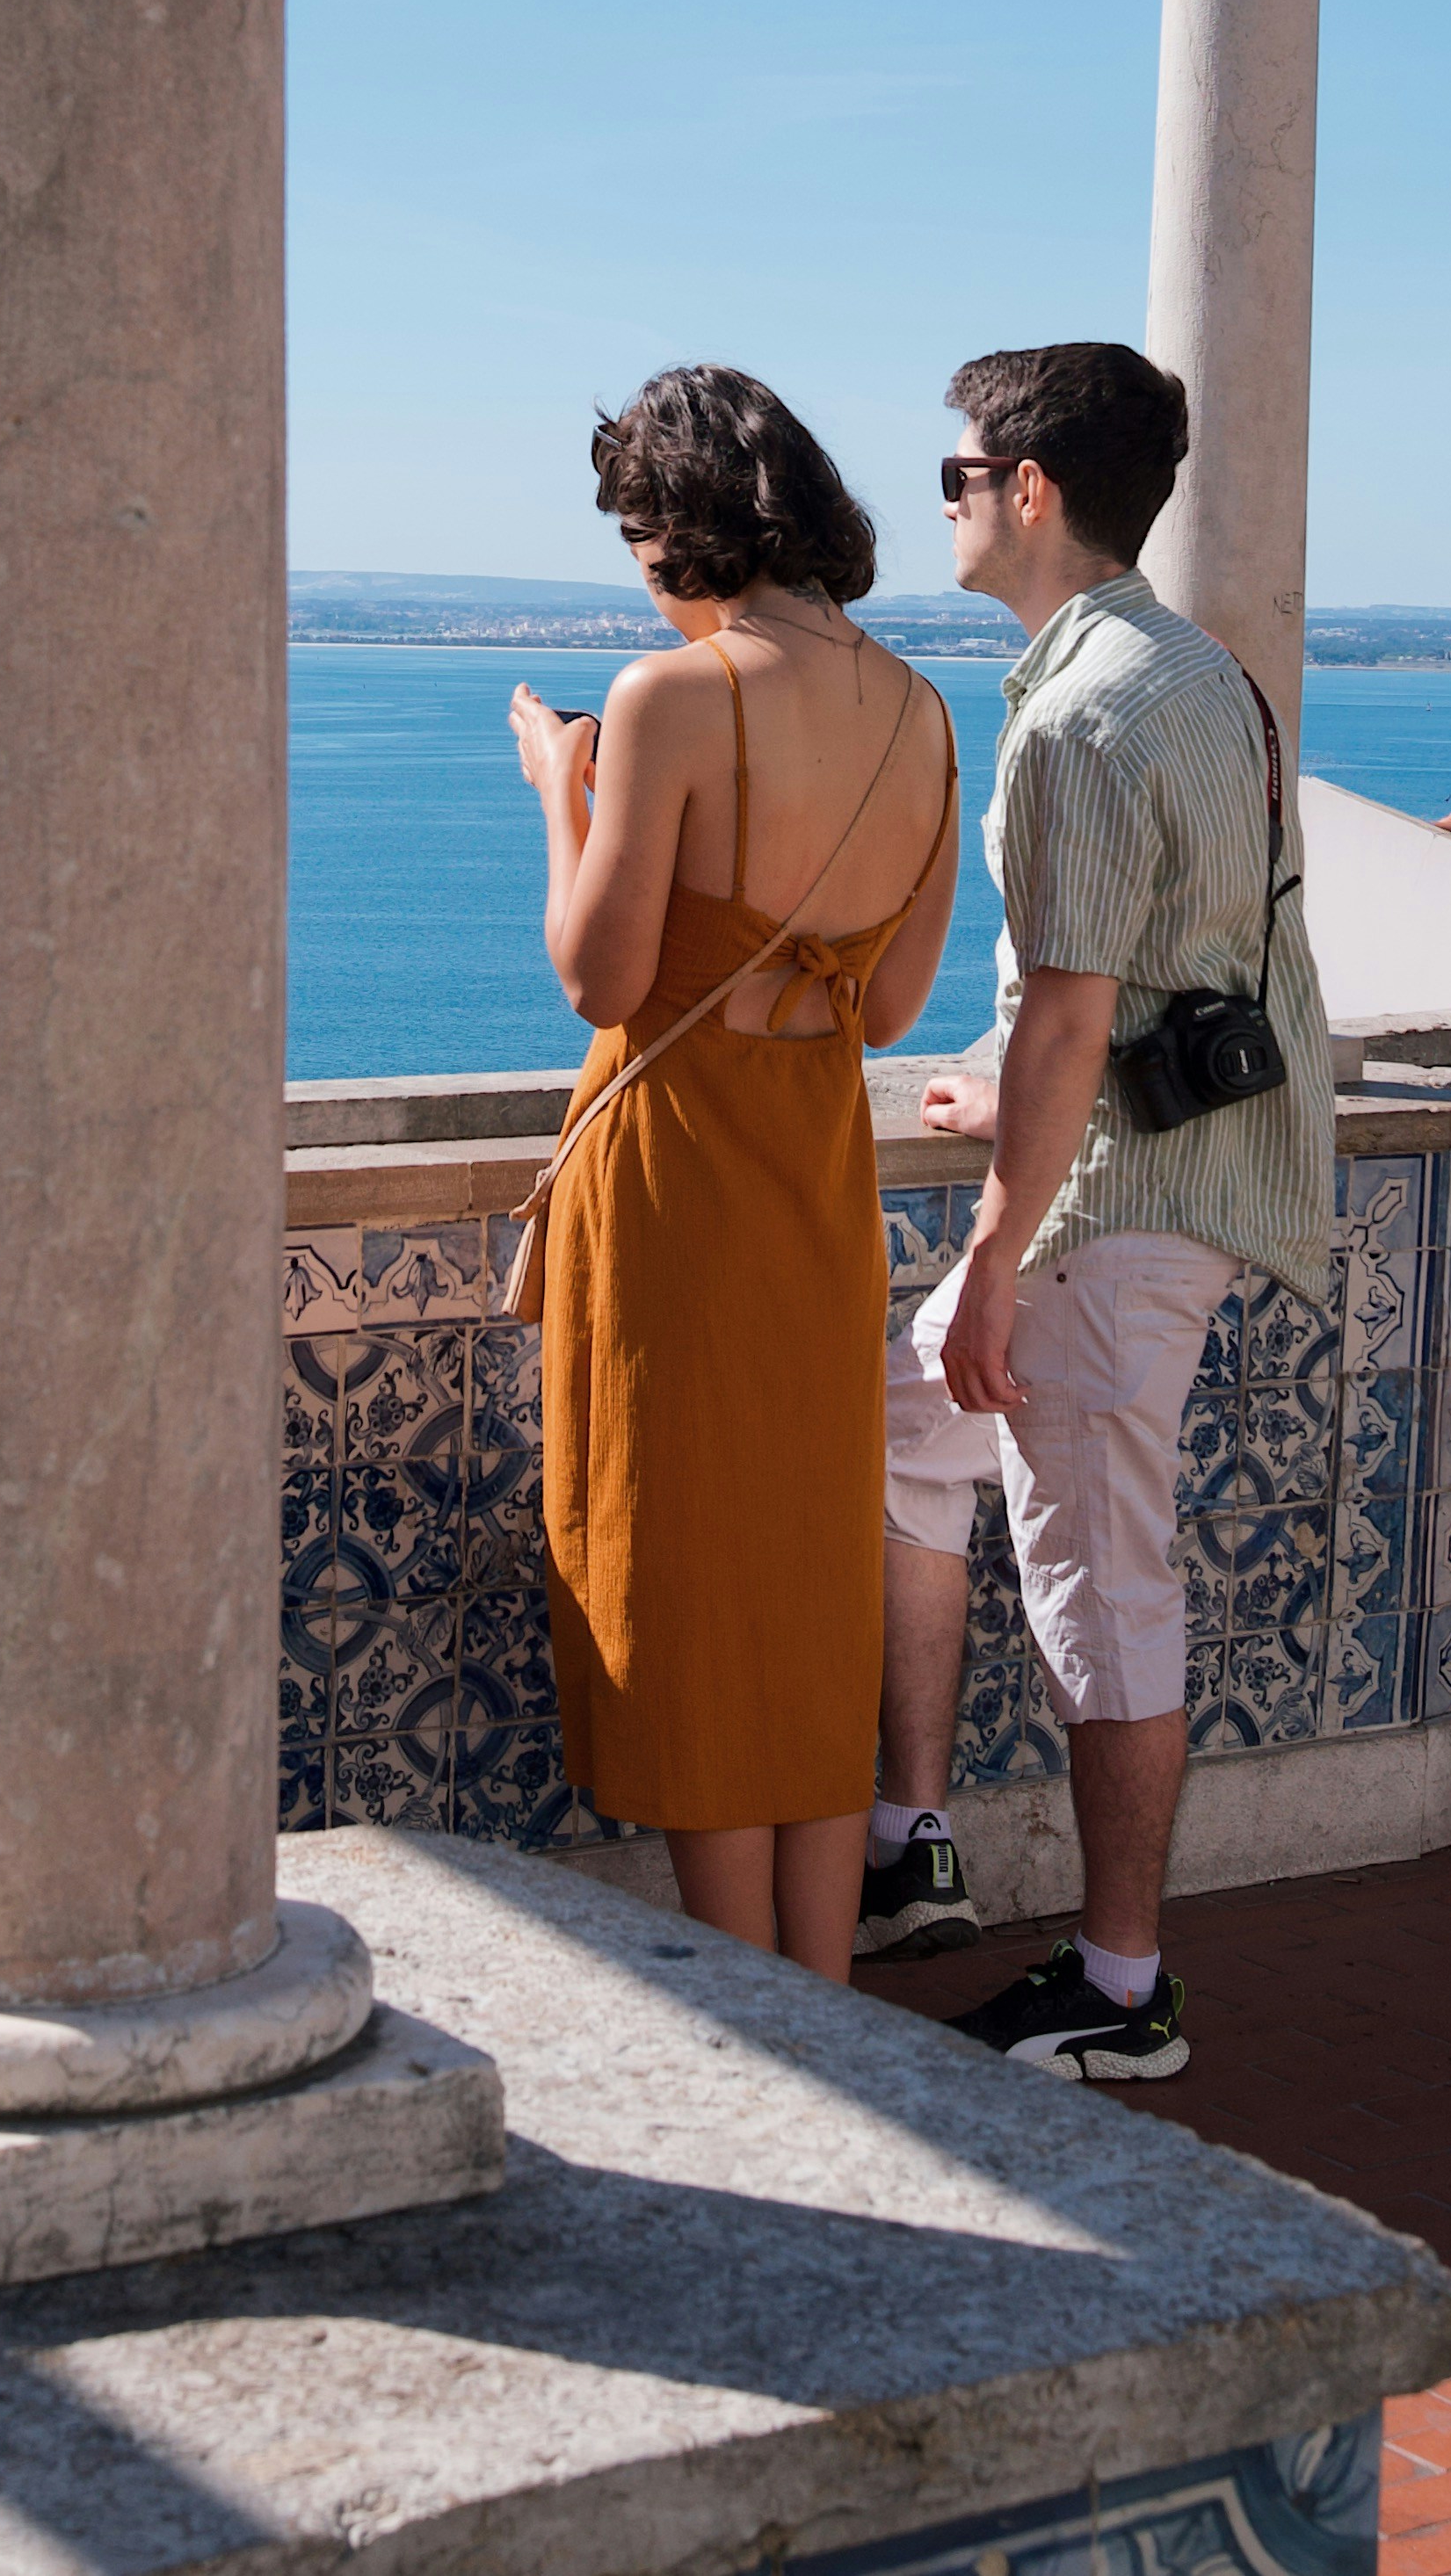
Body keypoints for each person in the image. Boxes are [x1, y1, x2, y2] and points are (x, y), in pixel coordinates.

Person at [866, 340, 1331, 2082]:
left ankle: (1121, 1988)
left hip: (1107, 1219)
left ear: (1029, 492)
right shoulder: (1204, 678)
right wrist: (1018, 1090)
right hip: (1178, 1177)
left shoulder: (1071, 715)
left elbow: (1068, 1010)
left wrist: (991, 1246)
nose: (951, 508)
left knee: (1095, 1576)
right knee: (912, 1432)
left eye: (957, 478)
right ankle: (908, 1834)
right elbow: (1196, 966)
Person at [509, 365, 961, 1980]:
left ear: (677, 527)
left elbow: (602, 974)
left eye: (638, 529)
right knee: (802, 1570)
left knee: (694, 1565)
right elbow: (894, 1006)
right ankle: (823, 1993)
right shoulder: (922, 710)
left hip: (682, 1165)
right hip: (818, 1169)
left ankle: (762, 2020)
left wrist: (557, 799)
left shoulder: (668, 699)